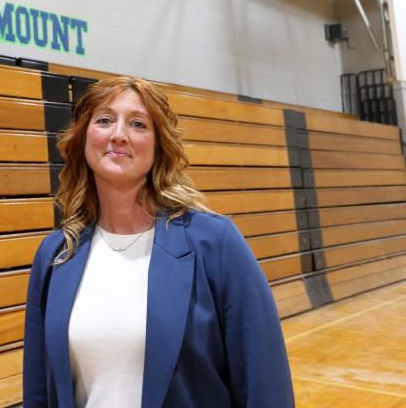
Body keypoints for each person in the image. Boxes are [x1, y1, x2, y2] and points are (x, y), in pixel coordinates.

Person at [23, 76, 293, 408]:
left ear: (158, 144)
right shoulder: (57, 254)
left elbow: (265, 383)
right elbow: (38, 389)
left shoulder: (215, 243)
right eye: (105, 120)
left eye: (138, 124)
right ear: (84, 139)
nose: (119, 134)